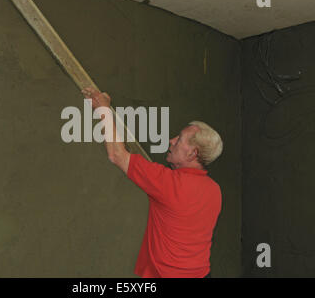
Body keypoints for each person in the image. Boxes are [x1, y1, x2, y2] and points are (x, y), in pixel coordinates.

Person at [81, 86, 223, 278]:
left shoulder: (167, 183)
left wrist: (103, 109)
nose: (172, 140)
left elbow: (116, 155)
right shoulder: (215, 191)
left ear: (192, 153)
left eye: (180, 139)